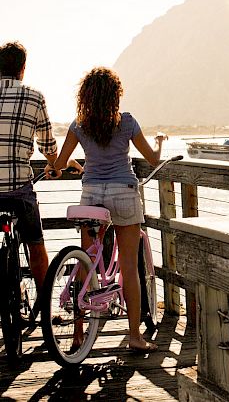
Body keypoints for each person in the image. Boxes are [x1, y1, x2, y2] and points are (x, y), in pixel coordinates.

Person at [50, 66, 166, 353]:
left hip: (91, 195)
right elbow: (151, 159)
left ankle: (78, 333)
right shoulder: (126, 122)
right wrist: (161, 142)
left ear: (85, 96)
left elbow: (60, 162)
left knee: (85, 262)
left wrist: (63, 167)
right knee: (129, 266)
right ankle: (135, 336)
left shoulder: (79, 125)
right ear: (116, 95)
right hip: (123, 193)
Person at [0, 41, 60, 294]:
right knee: (35, 243)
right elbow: (48, 145)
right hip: (19, 190)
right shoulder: (34, 97)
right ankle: (46, 306)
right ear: (22, 69)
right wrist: (53, 165)